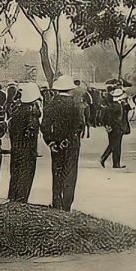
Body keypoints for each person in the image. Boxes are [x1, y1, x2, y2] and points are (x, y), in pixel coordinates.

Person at [41, 75, 85, 211]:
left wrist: (50, 141)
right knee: (70, 175)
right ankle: (66, 205)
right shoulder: (75, 104)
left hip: (56, 144)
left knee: (57, 172)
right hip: (71, 144)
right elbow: (79, 125)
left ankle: (56, 202)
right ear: (70, 89)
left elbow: (45, 125)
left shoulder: (51, 104)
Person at [8, 84, 42, 203]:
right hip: (27, 150)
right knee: (25, 177)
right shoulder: (31, 114)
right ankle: (21, 201)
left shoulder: (17, 111)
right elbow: (31, 134)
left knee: (15, 176)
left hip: (16, 148)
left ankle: (13, 199)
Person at [100, 88, 127, 169]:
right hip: (116, 128)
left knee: (116, 145)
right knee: (114, 145)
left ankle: (116, 163)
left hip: (115, 128)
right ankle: (104, 157)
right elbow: (109, 117)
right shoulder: (116, 106)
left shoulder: (115, 105)